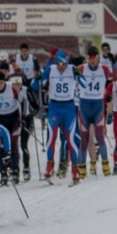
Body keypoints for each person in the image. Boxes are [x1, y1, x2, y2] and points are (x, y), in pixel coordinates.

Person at [36, 50, 81, 183]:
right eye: (59, 63)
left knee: (71, 140)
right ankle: (50, 166)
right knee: (51, 138)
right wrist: (38, 77)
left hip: (69, 107)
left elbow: (85, 74)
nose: (61, 66)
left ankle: (75, 169)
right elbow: (35, 84)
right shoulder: (51, 69)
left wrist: (80, 72)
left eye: (64, 64)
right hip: (55, 107)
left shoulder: (72, 69)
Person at [74, 47, 111, 177]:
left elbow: (113, 81)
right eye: (89, 57)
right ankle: (82, 168)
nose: (92, 59)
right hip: (84, 106)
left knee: (100, 137)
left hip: (97, 106)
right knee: (84, 140)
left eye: (94, 57)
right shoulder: (81, 68)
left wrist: (109, 94)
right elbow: (68, 73)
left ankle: (106, 165)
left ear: (98, 57)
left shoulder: (104, 69)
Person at [0, 71, 27, 184]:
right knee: (1, 146)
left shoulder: (12, 88)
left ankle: (15, 171)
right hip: (1, 119)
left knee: (13, 144)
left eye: (1, 82)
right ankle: (4, 173)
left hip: (13, 118)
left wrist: (23, 117)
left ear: (4, 82)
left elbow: (22, 101)